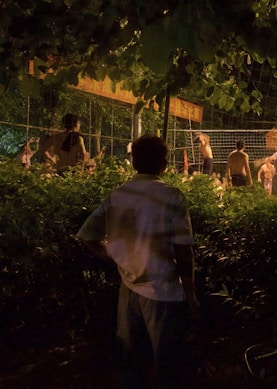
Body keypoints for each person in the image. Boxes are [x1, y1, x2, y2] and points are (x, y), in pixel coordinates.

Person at [76, 134, 198, 388]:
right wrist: (191, 293)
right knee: (168, 367)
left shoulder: (118, 195)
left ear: (133, 163)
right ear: (164, 164)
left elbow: (87, 236)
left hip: (128, 289)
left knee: (130, 366)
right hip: (164, 294)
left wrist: (114, 257)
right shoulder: (172, 196)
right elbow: (184, 251)